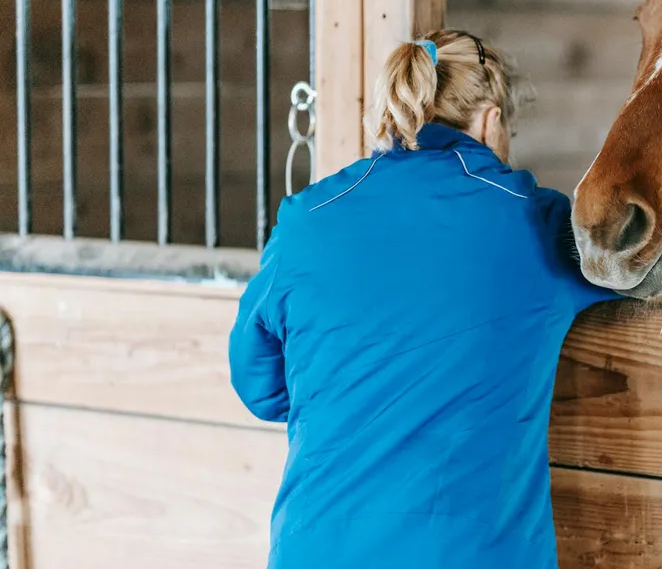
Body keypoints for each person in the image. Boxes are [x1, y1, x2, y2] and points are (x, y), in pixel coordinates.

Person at [228, 30, 619, 569]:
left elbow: (259, 386)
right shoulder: (534, 221)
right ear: (490, 121)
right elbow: (632, 260)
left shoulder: (306, 218)